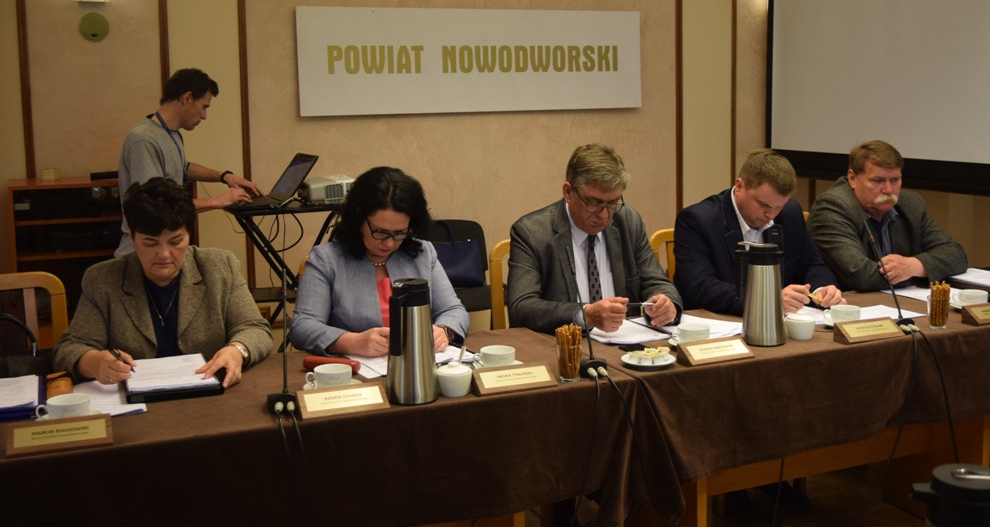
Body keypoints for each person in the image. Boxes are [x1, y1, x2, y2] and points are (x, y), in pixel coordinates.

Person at [53, 178, 273, 388]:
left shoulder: (219, 266)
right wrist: (94, 361)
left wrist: (237, 351)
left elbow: (255, 328)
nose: (164, 254)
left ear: (189, 234)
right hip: (136, 402)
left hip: (209, 394)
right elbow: (70, 349)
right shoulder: (103, 279)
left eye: (175, 241)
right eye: (150, 243)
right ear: (132, 237)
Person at [290, 167, 469, 357]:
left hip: (416, 364)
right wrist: (351, 342)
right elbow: (302, 326)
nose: (390, 243)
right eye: (380, 232)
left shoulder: (423, 254)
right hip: (354, 368)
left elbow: (454, 310)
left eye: (400, 232)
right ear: (359, 216)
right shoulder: (327, 259)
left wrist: (444, 331)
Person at [507, 143, 681, 334]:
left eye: (613, 203)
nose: (604, 215)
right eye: (593, 203)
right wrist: (584, 315)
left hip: (625, 343)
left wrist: (667, 304)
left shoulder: (628, 222)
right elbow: (521, 307)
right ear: (568, 192)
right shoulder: (532, 232)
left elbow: (657, 282)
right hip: (563, 344)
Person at [674, 148, 844, 316]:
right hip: (719, 321)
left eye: (779, 206)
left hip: (780, 323)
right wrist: (767, 300)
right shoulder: (697, 220)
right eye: (764, 205)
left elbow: (812, 265)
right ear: (739, 186)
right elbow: (699, 287)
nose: (771, 215)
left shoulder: (790, 213)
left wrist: (823, 288)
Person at [116, 68, 261, 257]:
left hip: (166, 247)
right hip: (146, 255)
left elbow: (182, 167)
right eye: (204, 107)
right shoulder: (143, 140)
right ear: (187, 98)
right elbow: (154, 206)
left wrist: (225, 176)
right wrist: (217, 201)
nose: (204, 116)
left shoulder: (171, 134)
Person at [808, 140, 968, 291]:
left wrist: (914, 266)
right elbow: (861, 276)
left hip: (900, 302)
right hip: (851, 305)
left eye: (894, 180)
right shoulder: (832, 207)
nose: (889, 190)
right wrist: (923, 272)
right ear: (852, 179)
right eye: (878, 181)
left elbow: (956, 255)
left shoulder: (911, 204)